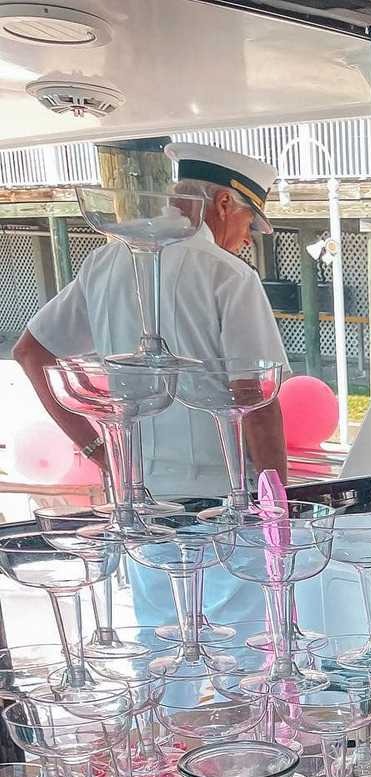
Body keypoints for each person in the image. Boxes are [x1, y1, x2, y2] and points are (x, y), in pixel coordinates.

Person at [14, 143, 289, 630]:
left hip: (142, 500)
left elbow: (32, 352)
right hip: (224, 503)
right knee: (242, 654)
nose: (247, 240)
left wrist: (97, 446)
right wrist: (277, 511)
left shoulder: (104, 263)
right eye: (250, 222)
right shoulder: (229, 275)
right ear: (224, 204)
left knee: (161, 654)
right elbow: (256, 399)